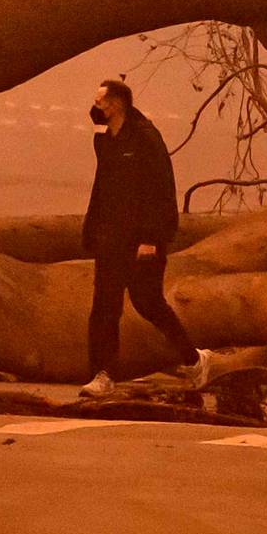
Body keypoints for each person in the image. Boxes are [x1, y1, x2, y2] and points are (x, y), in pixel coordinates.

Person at [79, 77, 203, 398]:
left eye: (100, 102)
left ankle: (194, 359)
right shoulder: (104, 137)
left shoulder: (146, 137)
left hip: (141, 240)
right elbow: (103, 186)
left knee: (148, 302)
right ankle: (103, 374)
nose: (95, 107)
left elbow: (161, 190)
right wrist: (93, 230)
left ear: (117, 104)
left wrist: (151, 238)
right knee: (104, 307)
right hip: (110, 237)